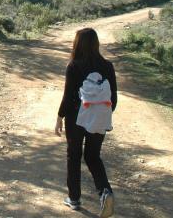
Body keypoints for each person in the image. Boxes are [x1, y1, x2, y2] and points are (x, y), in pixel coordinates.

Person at [54, 27, 117, 218]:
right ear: (96, 44)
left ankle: (74, 198)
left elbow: (68, 96)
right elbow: (113, 98)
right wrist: (101, 114)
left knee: (74, 156)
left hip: (76, 118)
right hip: (99, 117)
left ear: (77, 44)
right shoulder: (108, 66)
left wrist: (59, 117)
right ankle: (105, 192)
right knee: (93, 156)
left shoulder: (74, 66)